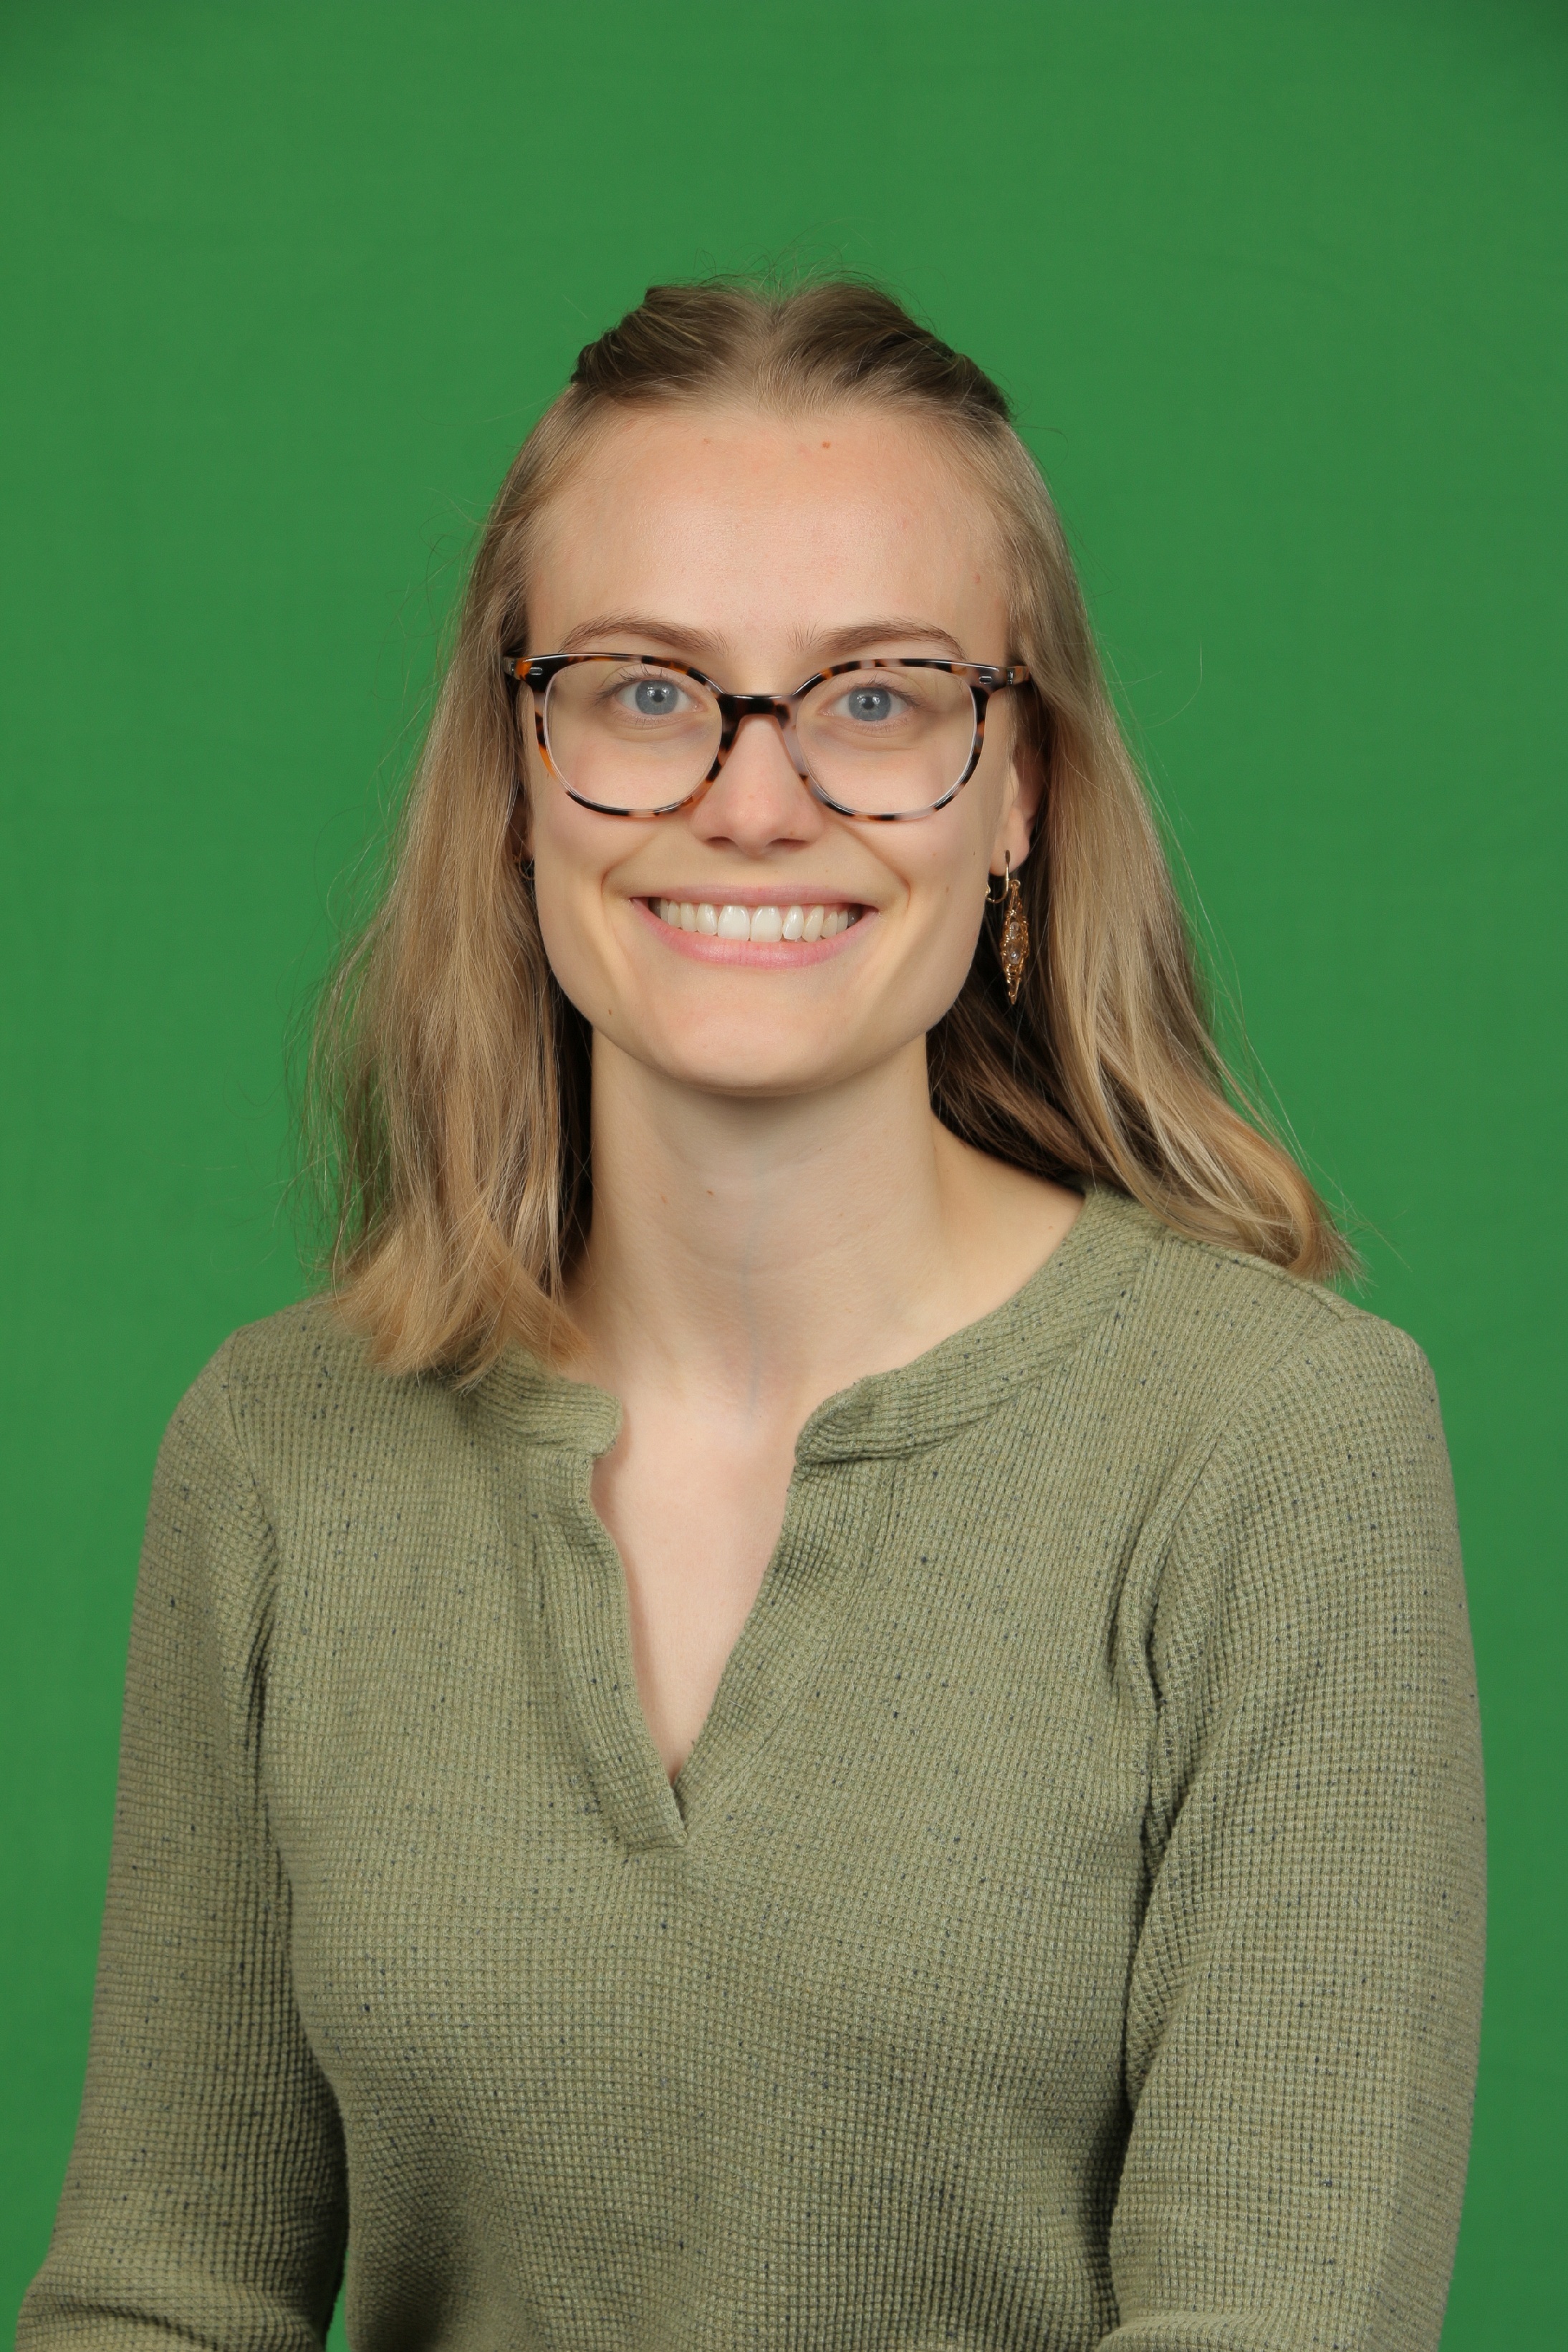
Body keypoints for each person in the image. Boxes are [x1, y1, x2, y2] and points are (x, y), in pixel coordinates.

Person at [18, 279, 1483, 2352]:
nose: (756, 798)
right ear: (518, 770)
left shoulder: (1278, 1444)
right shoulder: (278, 1451)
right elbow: (164, 2292)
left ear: (1022, 790)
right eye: (646, 689)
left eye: (877, 698)